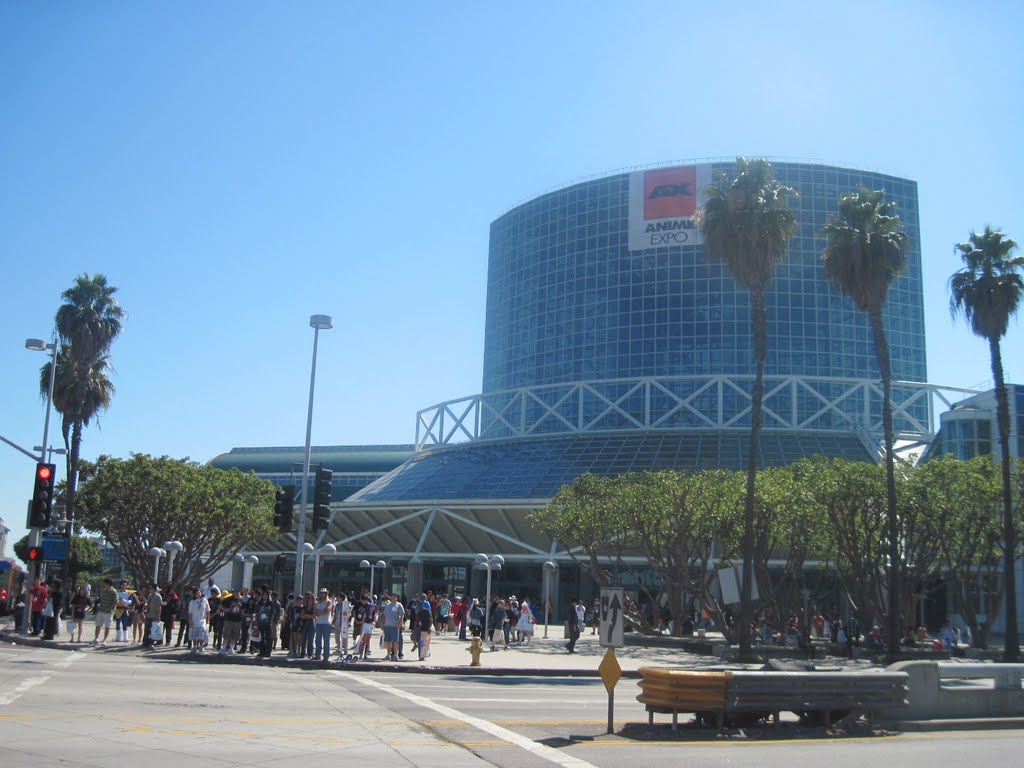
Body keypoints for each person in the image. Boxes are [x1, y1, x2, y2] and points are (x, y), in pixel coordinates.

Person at [91, 578, 118, 645]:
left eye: (104, 583)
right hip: (101, 610)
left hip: (108, 612)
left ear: (108, 584)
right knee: (98, 625)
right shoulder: (104, 590)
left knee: (107, 626)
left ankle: (104, 640)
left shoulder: (114, 591)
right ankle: (96, 638)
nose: (103, 585)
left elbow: (116, 602)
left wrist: (109, 608)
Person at [380, 592, 405, 661]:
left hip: (395, 626)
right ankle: (388, 655)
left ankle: (395, 655)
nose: (393, 598)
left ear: (397, 598)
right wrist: (382, 624)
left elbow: (402, 615)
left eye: (394, 597)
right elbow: (384, 615)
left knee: (395, 641)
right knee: (388, 641)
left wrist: (400, 623)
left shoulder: (399, 605)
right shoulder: (388, 605)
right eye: (392, 597)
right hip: (387, 625)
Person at [219, 590, 244, 654]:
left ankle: (231, 648)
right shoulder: (228, 599)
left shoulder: (241, 600)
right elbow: (220, 606)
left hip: (237, 620)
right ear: (233, 592)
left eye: (238, 592)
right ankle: (224, 648)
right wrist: (225, 610)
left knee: (235, 635)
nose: (237, 593)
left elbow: (243, 608)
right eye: (236, 591)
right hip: (229, 619)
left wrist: (242, 613)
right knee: (227, 634)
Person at [188, 586, 211, 653]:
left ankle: (201, 646)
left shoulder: (204, 600)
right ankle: (195, 646)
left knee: (202, 634)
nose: (198, 594)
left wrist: (207, 621)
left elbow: (208, 611)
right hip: (194, 620)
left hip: (202, 621)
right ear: (194, 594)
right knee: (194, 635)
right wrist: (190, 621)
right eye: (197, 593)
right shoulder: (192, 602)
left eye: (199, 592)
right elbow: (190, 613)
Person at [313, 588, 334, 662]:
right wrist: (320, 612)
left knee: (326, 640)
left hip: (326, 623)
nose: (323, 594)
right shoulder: (317, 602)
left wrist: (319, 612)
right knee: (318, 640)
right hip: (318, 623)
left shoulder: (329, 601)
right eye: (321, 593)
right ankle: (317, 655)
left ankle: (326, 656)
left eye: (324, 593)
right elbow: (314, 612)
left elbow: (327, 610)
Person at [333, 591, 351, 658]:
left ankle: (345, 650)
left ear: (341, 597)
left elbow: (349, 613)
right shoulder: (337, 605)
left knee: (344, 637)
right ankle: (338, 648)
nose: (337, 598)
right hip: (337, 623)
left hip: (344, 623)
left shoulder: (346, 604)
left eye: (338, 597)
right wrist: (333, 622)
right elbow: (335, 614)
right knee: (337, 636)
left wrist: (348, 621)